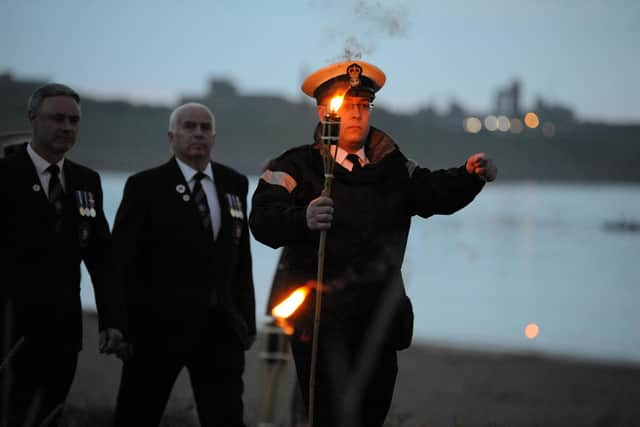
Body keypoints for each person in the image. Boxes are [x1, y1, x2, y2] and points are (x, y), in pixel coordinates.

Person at [249, 60, 497, 427]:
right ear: (324, 111)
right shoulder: (295, 165)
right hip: (320, 323)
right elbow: (262, 220)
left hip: (379, 319)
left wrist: (469, 176)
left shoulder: (393, 166)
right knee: (328, 417)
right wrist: (302, 218)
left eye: (364, 106)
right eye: (348, 106)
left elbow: (432, 193)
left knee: (371, 415)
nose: (357, 115)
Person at [112, 102, 256, 427]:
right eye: (190, 126)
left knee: (226, 417)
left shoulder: (234, 184)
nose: (198, 134)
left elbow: (240, 258)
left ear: (214, 136)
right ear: (171, 136)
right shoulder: (145, 186)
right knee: (136, 414)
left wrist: (246, 319)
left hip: (220, 330)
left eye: (205, 128)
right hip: (156, 330)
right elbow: (121, 262)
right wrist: (120, 322)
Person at [0, 83, 125, 427]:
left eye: (73, 120)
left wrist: (112, 320)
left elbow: (102, 258)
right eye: (57, 118)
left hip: (62, 334)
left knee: (49, 417)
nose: (67, 127)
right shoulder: (6, 175)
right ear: (32, 119)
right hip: (10, 330)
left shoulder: (86, 181)